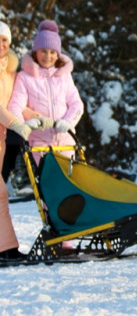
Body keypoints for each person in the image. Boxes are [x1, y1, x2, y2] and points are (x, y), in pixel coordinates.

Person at [0, 21, 50, 261]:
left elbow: (14, 104)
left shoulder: (10, 72)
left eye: (4, 40)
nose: (1, 44)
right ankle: (5, 249)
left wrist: (35, 117)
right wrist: (15, 124)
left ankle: (6, 249)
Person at [8, 19, 83, 165]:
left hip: (66, 140)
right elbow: (15, 106)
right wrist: (25, 125)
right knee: (48, 181)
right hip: (39, 143)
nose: (48, 57)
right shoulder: (25, 77)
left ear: (58, 54)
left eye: (52, 52)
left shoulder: (64, 76)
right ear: (36, 52)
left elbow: (76, 104)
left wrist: (68, 121)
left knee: (68, 182)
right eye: (43, 51)